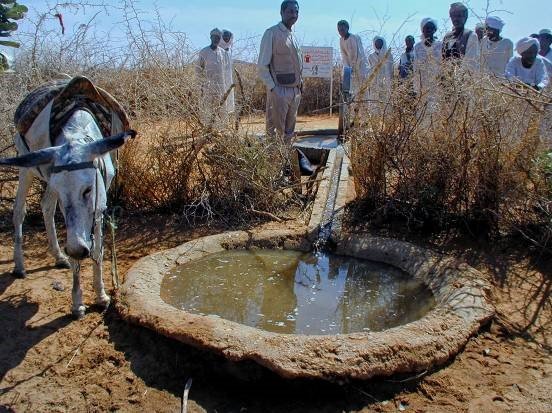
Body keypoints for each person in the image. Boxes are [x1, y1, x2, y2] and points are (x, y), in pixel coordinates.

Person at [257, 0, 302, 142]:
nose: (294, 15)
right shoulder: (272, 33)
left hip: (294, 92)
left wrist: (300, 85)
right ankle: (274, 163)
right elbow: (262, 66)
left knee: (289, 132)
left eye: (296, 12)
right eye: (290, 11)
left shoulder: (293, 36)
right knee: (275, 132)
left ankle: (286, 163)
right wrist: (273, 88)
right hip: (279, 91)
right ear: (282, 13)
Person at [196, 28, 228, 116]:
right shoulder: (204, 52)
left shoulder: (223, 53)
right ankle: (207, 128)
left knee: (221, 107)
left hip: (221, 85)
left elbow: (225, 69)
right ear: (211, 38)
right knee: (207, 107)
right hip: (208, 85)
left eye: (218, 38)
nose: (216, 39)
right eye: (214, 37)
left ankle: (221, 128)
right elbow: (198, 69)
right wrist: (201, 84)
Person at [442, 2, 480, 71]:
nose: (456, 19)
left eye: (459, 16)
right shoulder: (447, 36)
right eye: (453, 16)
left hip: (462, 78)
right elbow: (443, 60)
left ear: (465, 17)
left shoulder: (471, 36)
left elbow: (471, 64)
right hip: (447, 78)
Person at [337, 20, 369, 99]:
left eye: (342, 29)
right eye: (339, 30)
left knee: (362, 90)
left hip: (360, 67)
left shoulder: (354, 37)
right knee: (352, 90)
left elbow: (358, 54)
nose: (341, 32)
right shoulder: (341, 40)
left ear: (347, 28)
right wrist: (348, 69)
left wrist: (354, 67)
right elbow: (344, 56)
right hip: (350, 69)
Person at [413, 18, 443, 97]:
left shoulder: (440, 45)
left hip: (437, 85)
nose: (429, 30)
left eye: (431, 28)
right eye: (426, 28)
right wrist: (416, 87)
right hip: (422, 85)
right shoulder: (418, 47)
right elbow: (415, 68)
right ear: (422, 30)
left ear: (434, 30)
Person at [367, 35, 393, 113]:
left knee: (386, 105)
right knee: (374, 104)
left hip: (385, 84)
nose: (378, 44)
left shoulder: (388, 55)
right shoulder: (371, 56)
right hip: (374, 84)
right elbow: (370, 70)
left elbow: (390, 71)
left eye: (380, 43)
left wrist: (388, 82)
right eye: (376, 43)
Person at [220, 29, 235, 114]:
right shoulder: (218, 49)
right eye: (224, 36)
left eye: (228, 36)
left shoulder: (229, 50)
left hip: (228, 78)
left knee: (228, 97)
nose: (226, 38)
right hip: (219, 78)